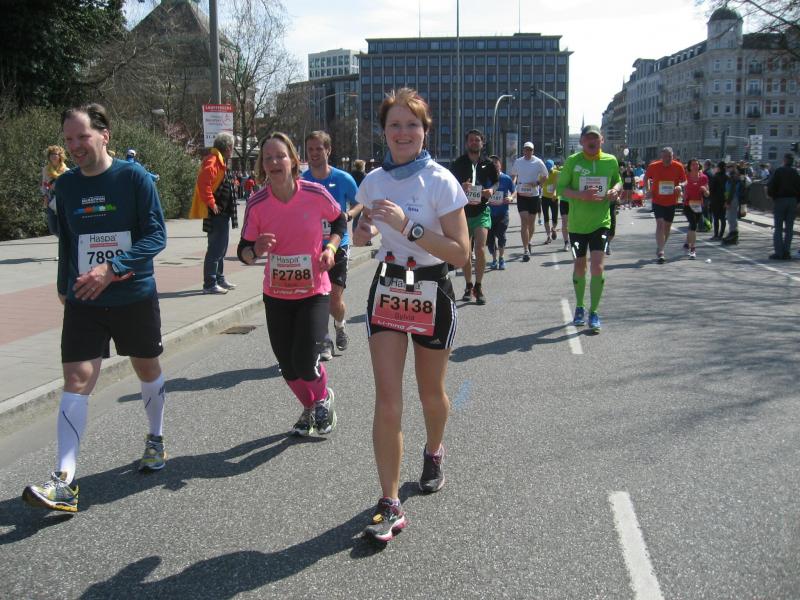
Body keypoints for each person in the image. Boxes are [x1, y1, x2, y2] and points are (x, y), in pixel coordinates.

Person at [22, 103, 168, 513]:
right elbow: (68, 241)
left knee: (147, 368)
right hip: (84, 298)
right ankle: (64, 480)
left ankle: (155, 437)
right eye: (68, 139)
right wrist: (63, 285)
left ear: (104, 135)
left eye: (82, 137)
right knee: (76, 378)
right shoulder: (66, 186)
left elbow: (156, 236)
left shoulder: (134, 177)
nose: (75, 146)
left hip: (133, 295)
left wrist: (113, 268)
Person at [352, 88, 469, 543]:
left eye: (412, 125)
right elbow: (363, 229)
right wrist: (363, 230)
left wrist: (409, 226)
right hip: (388, 286)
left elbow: (460, 253)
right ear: (384, 131)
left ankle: (434, 450)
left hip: (432, 287)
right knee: (387, 398)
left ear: (425, 131)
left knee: (430, 393)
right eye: (395, 125)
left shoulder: (441, 181)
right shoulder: (374, 181)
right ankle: (389, 501)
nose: (403, 133)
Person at [237, 132, 345, 437]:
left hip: (313, 291)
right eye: (268, 158)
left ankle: (322, 399)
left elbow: (339, 221)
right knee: (286, 364)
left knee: (305, 359)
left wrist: (330, 248)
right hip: (277, 295)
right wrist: (255, 250)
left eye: (280, 156)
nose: (274, 162)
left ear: (293, 161)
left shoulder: (315, 193)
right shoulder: (257, 203)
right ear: (262, 165)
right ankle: (309, 407)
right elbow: (243, 251)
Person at [302, 131, 362, 359]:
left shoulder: (343, 178)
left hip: (338, 244)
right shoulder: (302, 180)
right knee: (317, 297)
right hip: (311, 246)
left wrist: (348, 215)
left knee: (335, 297)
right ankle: (324, 340)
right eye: (310, 149)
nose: (314, 153)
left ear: (328, 150)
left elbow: (360, 203)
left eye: (319, 149)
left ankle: (339, 325)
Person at [556, 124, 621, 334]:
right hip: (577, 225)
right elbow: (560, 189)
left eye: (595, 138)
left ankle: (594, 311)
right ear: (582, 141)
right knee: (579, 267)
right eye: (588, 138)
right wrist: (580, 195)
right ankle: (580, 306)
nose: (592, 141)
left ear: (602, 140)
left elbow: (618, 181)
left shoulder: (610, 161)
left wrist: (615, 190)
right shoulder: (573, 161)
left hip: (601, 222)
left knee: (597, 268)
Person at [450, 129, 496, 304]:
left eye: (477, 140)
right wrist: (460, 186)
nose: (474, 142)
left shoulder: (488, 163)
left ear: (482, 143)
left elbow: (497, 182)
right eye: (471, 140)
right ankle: (468, 285)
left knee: (480, 248)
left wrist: (491, 190)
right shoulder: (458, 163)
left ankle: (479, 285)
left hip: (481, 210)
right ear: (466, 143)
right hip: (462, 213)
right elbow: (449, 185)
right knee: (466, 252)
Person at [190, 132, 239, 294]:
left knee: (221, 248)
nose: (233, 150)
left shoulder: (219, 160)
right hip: (217, 213)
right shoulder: (213, 161)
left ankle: (219, 278)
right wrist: (212, 203)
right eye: (232, 147)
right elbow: (203, 183)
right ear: (228, 147)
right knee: (216, 248)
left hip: (222, 213)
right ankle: (210, 283)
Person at [644, 147, 687, 263]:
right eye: (665, 157)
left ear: (673, 156)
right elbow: (646, 178)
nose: (667, 159)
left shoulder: (678, 166)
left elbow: (684, 180)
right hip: (657, 200)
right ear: (661, 156)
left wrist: (680, 186)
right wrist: (648, 190)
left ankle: (661, 246)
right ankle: (661, 251)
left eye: (670, 157)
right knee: (660, 223)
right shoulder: (653, 166)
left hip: (671, 201)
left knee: (667, 226)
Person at [510, 141, 548, 261]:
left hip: (534, 195)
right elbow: (513, 174)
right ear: (523, 150)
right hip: (522, 194)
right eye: (526, 149)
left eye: (530, 150)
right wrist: (513, 183)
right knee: (524, 221)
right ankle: (526, 249)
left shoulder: (538, 162)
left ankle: (529, 241)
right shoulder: (518, 161)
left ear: (533, 151)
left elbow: (545, 175)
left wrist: (537, 183)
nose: (528, 151)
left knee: (531, 223)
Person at [767, 153, 800, 259]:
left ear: (784, 160)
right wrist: (797, 201)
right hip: (792, 200)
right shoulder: (795, 172)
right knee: (789, 228)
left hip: (780, 200)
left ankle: (779, 252)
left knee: (778, 228)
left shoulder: (779, 171)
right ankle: (786, 251)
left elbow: (771, 186)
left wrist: (773, 196)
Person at [487, 154, 515, 269]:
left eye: (496, 163)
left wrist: (511, 197)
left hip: (502, 213)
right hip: (488, 214)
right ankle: (494, 259)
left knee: (501, 235)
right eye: (491, 163)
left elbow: (514, 191)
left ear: (500, 165)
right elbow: (479, 191)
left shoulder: (506, 178)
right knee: (490, 239)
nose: (494, 165)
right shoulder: (486, 178)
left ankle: (501, 258)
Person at [682, 159, 709, 259]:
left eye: (697, 164)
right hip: (688, 204)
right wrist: (683, 194)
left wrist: (705, 190)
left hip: (698, 205)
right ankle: (692, 249)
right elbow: (682, 188)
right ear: (689, 167)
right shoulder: (686, 177)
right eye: (693, 164)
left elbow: (707, 194)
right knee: (693, 225)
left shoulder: (703, 178)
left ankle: (686, 242)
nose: (695, 166)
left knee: (692, 226)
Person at [40, 145, 68, 238]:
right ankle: (64, 240)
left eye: (55, 154)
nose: (53, 156)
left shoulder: (66, 171)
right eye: (51, 154)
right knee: (53, 229)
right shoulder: (45, 169)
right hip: (50, 199)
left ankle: (65, 242)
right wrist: (45, 195)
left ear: (60, 156)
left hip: (62, 200)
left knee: (62, 226)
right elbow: (44, 183)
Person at [722, 164, 750, 246]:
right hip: (732, 198)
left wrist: (728, 202)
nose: (727, 169)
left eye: (729, 167)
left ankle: (733, 234)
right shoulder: (733, 177)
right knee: (730, 217)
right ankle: (732, 233)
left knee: (731, 217)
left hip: (733, 199)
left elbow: (732, 191)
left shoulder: (734, 178)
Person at [541, 159, 559, 244]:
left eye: (550, 169)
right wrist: (543, 180)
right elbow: (541, 184)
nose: (549, 170)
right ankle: (548, 236)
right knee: (546, 217)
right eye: (547, 169)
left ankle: (553, 228)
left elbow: (557, 184)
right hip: (544, 197)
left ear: (553, 167)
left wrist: (554, 193)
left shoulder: (556, 173)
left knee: (555, 216)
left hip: (554, 197)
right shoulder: (542, 174)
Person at [709, 161, 728, 240]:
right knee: (723, 218)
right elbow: (728, 189)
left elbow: (711, 188)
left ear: (719, 168)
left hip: (715, 199)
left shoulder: (715, 176)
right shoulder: (727, 177)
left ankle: (716, 234)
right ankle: (721, 235)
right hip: (723, 199)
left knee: (716, 218)